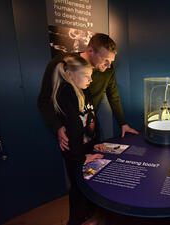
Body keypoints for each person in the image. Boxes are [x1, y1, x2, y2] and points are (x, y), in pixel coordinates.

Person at [38, 33, 138, 151]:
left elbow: (113, 96)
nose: (109, 65)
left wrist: (123, 123)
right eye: (105, 59)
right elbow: (44, 100)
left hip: (91, 128)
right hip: (69, 131)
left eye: (111, 61)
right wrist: (57, 127)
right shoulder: (64, 64)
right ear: (90, 50)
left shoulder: (107, 69)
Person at [51, 54, 106, 225]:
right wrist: (82, 158)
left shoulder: (84, 90)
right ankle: (75, 221)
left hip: (87, 149)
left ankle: (88, 217)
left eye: (91, 76)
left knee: (89, 186)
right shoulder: (65, 95)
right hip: (76, 155)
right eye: (86, 76)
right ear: (69, 74)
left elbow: (92, 117)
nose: (90, 80)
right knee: (78, 190)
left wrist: (96, 140)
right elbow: (73, 131)